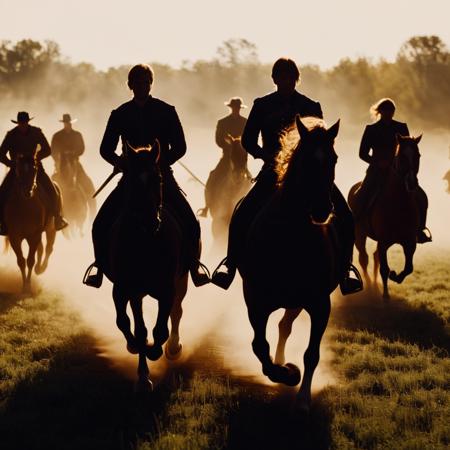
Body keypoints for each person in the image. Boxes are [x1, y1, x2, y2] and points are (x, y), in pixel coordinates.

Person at [212, 58, 362, 294]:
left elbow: (322, 140)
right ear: (274, 79)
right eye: (281, 77)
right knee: (243, 212)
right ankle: (230, 265)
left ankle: (346, 270)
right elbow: (249, 139)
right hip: (272, 172)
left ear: (296, 78)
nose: (285, 81)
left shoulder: (311, 104)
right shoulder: (261, 105)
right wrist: (264, 155)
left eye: (290, 77)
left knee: (345, 214)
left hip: (310, 174)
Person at [83, 64, 209, 288]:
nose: (142, 86)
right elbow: (105, 149)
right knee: (100, 223)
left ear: (151, 84)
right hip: (130, 180)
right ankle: (100, 267)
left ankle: (193, 265)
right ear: (130, 85)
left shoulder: (167, 110)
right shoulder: (119, 114)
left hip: (161, 177)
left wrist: (158, 164)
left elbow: (180, 147)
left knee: (191, 221)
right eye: (137, 82)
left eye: (146, 82)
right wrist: (119, 162)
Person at [354, 98, 431, 243]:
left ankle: (420, 229)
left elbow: (408, 147)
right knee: (361, 194)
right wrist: (377, 162)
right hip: (376, 171)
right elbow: (362, 153)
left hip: (400, 172)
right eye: (386, 111)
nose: (389, 113)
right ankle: (356, 222)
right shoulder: (371, 129)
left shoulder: (402, 127)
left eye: (391, 111)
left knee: (421, 196)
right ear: (380, 112)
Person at [0, 111, 68, 235]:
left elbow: (47, 149)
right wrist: (11, 164)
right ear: (18, 123)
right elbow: (1, 154)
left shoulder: (37, 132)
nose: (22, 125)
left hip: (35, 169)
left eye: (24, 123)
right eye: (21, 123)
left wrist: (36, 158)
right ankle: (2, 223)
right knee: (1, 192)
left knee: (53, 191)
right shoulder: (11, 135)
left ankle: (58, 218)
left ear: (27, 122)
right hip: (17, 170)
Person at [198, 97, 248, 217]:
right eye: (234, 107)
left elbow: (249, 139)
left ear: (239, 108)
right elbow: (218, 140)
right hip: (226, 157)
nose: (236, 109)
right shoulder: (223, 122)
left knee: (249, 181)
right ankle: (207, 206)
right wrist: (228, 146)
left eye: (237, 108)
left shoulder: (245, 122)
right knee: (212, 177)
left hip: (241, 159)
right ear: (231, 108)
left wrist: (239, 146)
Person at [51, 113, 95, 197]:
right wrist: (58, 159)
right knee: (53, 182)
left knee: (86, 181)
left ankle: (91, 199)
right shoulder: (57, 136)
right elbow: (53, 150)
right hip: (61, 163)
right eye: (66, 123)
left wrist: (73, 153)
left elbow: (81, 149)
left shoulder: (77, 135)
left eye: (68, 123)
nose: (67, 124)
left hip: (74, 162)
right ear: (64, 123)